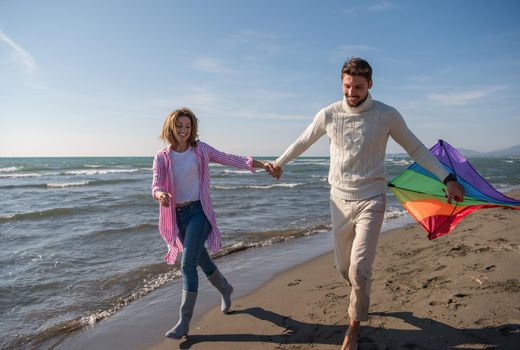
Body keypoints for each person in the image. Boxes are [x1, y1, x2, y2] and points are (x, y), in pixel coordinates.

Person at [266, 58, 465, 350]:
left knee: (360, 267)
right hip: (338, 200)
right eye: (347, 86)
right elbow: (303, 141)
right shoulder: (329, 114)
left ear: (370, 84)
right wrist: (279, 163)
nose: (351, 93)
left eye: (358, 87)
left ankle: (353, 327)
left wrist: (447, 178)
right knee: (343, 268)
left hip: (372, 198)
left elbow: (416, 149)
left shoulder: (387, 115)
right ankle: (360, 294)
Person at [151, 107, 267, 339]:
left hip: (199, 213)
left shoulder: (200, 150)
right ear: (171, 128)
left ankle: (184, 322)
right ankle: (225, 288)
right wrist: (160, 195)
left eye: (188, 126)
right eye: (179, 126)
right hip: (177, 217)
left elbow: (230, 158)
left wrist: (261, 164)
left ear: (192, 129)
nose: (184, 130)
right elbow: (155, 185)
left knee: (187, 266)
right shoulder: (162, 157)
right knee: (200, 259)